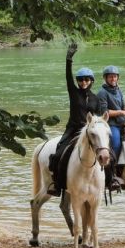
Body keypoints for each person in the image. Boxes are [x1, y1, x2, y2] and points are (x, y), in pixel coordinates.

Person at [47, 43, 101, 196]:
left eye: (86, 80)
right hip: (73, 129)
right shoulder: (73, 92)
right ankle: (57, 184)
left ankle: (108, 180)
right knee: (58, 153)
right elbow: (67, 76)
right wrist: (68, 59)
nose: (83, 82)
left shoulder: (95, 98)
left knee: (105, 152)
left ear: (91, 81)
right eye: (80, 80)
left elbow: (97, 118)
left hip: (88, 132)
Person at [97, 65, 125, 190]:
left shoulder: (118, 90)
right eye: (110, 77)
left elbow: (123, 106)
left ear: (117, 78)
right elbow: (105, 112)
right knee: (116, 144)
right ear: (105, 78)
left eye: (114, 76)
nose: (113, 78)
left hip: (121, 123)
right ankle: (112, 175)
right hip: (110, 125)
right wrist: (121, 113)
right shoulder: (102, 93)